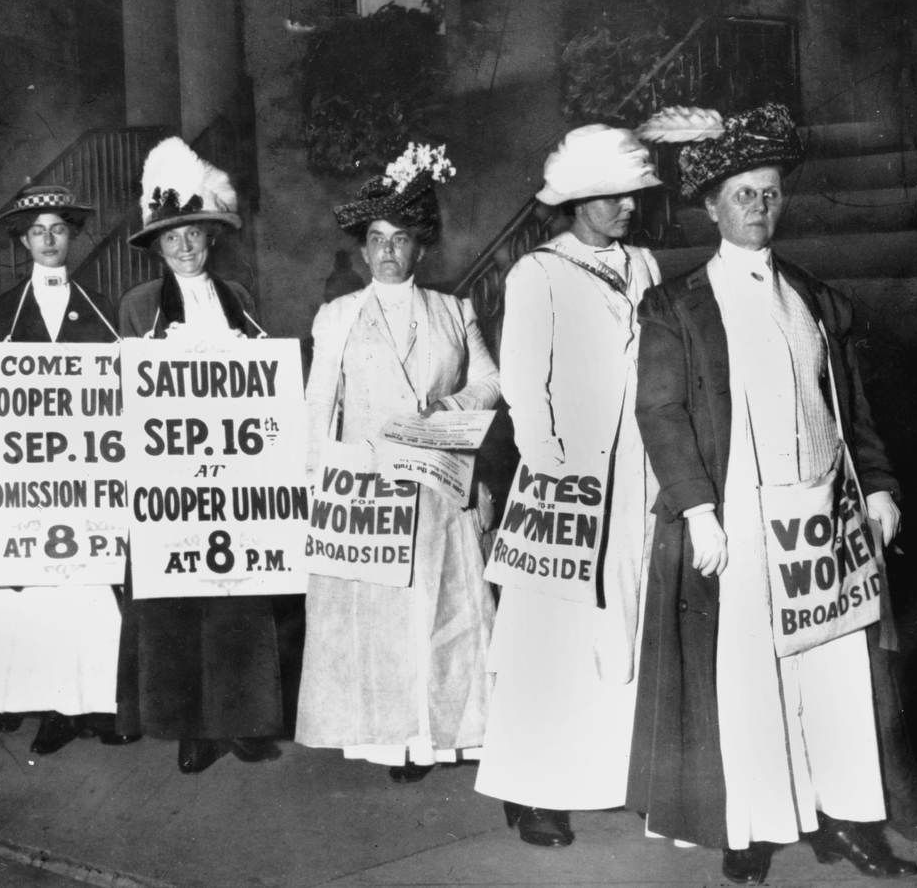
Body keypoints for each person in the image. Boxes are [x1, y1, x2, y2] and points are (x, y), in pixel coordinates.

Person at [628, 104, 917, 883]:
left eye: (769, 194)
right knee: (752, 680)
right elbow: (660, 412)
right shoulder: (676, 306)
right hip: (744, 522)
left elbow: (848, 405)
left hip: (822, 518)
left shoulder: (814, 298)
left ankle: (849, 822)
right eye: (743, 195)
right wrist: (697, 509)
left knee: (837, 676)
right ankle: (751, 828)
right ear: (712, 206)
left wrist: (880, 487)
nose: (759, 207)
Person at [474, 127, 662, 843]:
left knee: (627, 618)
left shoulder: (643, 264)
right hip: (566, 479)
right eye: (609, 196)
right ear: (575, 201)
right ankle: (531, 787)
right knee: (549, 631)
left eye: (630, 194)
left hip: (639, 470)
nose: (624, 207)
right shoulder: (538, 273)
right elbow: (523, 382)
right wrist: (554, 467)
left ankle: (615, 772)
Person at [297, 142, 499, 782]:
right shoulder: (337, 317)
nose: (388, 251)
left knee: (441, 615)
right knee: (380, 622)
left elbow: (494, 383)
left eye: (402, 239)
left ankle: (439, 733)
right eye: (377, 239)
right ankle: (393, 739)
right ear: (362, 251)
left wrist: (450, 402)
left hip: (439, 485)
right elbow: (317, 404)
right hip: (368, 494)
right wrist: (314, 483)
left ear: (421, 247)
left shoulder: (454, 310)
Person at [115, 137, 283, 774]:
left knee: (238, 596)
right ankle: (191, 728)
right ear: (157, 246)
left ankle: (241, 721)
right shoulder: (137, 307)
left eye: (194, 234)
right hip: (170, 475)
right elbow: (128, 395)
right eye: (171, 238)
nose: (184, 246)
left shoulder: (239, 297)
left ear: (212, 237)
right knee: (175, 602)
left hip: (237, 475)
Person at [0, 184, 133, 754]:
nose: (48, 239)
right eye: (37, 231)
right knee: (44, 591)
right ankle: (56, 708)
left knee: (93, 585)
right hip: (30, 476)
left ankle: (100, 705)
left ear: (71, 237)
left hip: (89, 474)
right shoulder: (1, 312)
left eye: (58, 230)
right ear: (23, 241)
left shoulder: (100, 307)